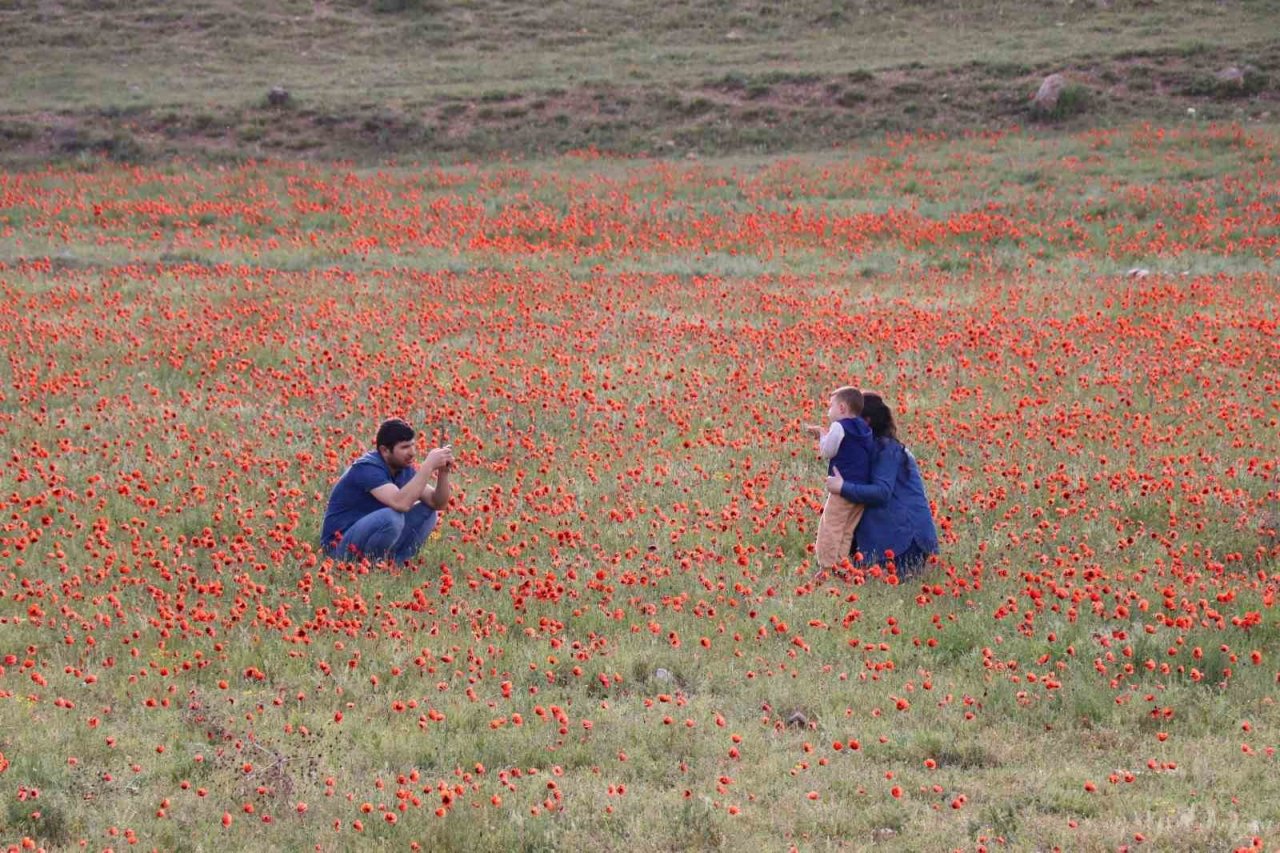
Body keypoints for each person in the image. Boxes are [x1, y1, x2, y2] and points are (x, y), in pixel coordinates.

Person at [826, 392, 938, 578]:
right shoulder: (866, 448)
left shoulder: (887, 450)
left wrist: (842, 487)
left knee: (861, 578)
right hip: (891, 534)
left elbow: (882, 492)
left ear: (866, 421)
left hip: (905, 542)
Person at [321, 418, 454, 563]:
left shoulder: (402, 469)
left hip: (366, 536)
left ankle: (395, 564)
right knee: (392, 518)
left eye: (413, 445)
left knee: (428, 511)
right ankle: (373, 565)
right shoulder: (368, 468)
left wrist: (443, 473)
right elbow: (400, 503)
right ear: (384, 450)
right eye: (404, 447)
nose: (412, 452)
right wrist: (428, 466)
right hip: (339, 546)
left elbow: (437, 503)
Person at [804, 386, 875, 574]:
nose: (829, 411)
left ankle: (826, 568)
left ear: (842, 408)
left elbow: (828, 451)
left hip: (842, 487)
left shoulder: (839, 426)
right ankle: (841, 567)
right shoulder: (865, 428)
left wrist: (822, 434)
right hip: (861, 489)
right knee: (846, 530)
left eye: (831, 406)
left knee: (831, 526)